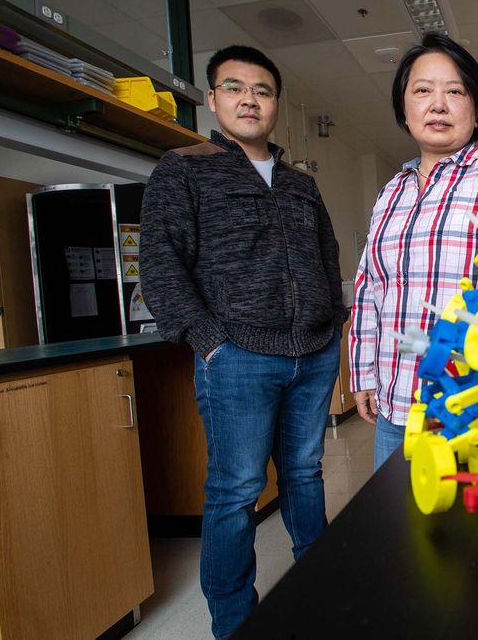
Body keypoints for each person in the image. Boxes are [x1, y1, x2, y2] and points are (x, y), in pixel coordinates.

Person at [140, 45, 348, 639]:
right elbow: (159, 264)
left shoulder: (300, 184)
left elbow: (327, 255)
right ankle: (234, 623)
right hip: (238, 357)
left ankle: (323, 588)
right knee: (236, 492)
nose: (249, 99)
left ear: (276, 103)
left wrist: (331, 321)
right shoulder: (183, 168)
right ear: (212, 100)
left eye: (262, 90)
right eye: (235, 88)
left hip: (312, 354)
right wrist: (208, 340)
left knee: (306, 473)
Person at [349, 33, 478, 471]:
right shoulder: (389, 192)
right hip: (395, 406)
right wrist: (362, 373)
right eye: (422, 90)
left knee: (469, 531)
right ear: (405, 108)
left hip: (472, 405)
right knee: (398, 532)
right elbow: (368, 288)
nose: (438, 104)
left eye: (455, 91)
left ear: (476, 112)